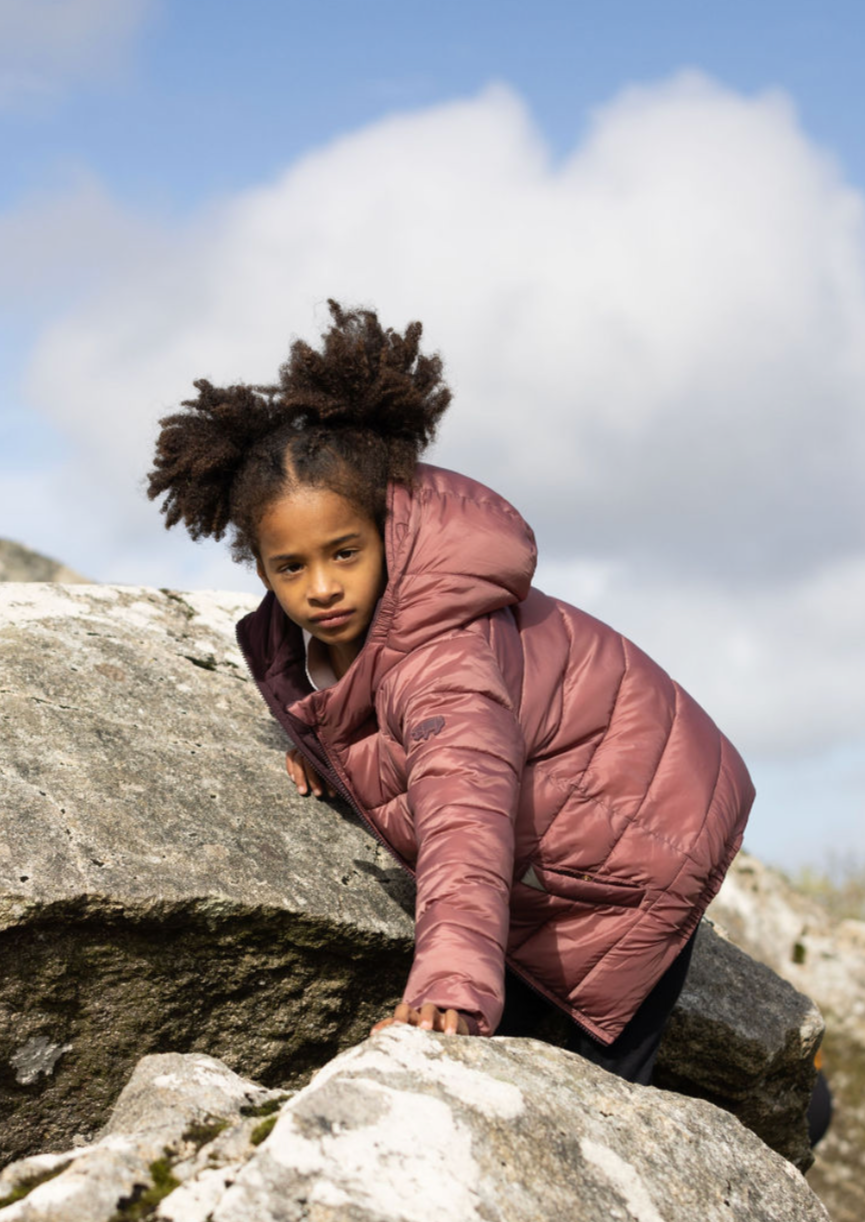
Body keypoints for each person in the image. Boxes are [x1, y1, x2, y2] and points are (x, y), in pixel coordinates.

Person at [147, 300, 755, 1086]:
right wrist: (320, 748)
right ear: (259, 567)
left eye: (344, 552)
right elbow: (355, 702)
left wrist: (452, 985)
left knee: (590, 1087)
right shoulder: (298, 644)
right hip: (596, 806)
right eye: (290, 567)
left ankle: (790, 1110)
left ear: (387, 535)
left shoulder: (442, 656)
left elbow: (463, 811)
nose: (323, 588)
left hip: (637, 844)